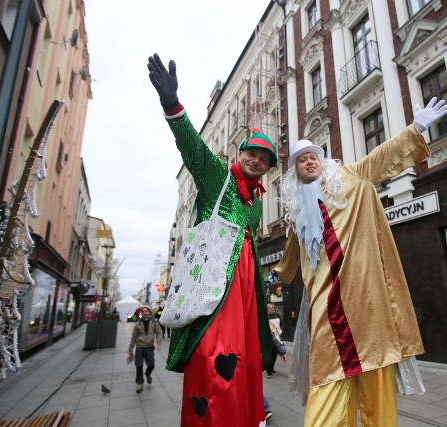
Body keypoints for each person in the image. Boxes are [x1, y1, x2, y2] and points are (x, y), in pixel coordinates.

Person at [271, 97, 447, 426]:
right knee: (326, 392)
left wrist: (417, 127)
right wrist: (271, 278)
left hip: (369, 302)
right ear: (294, 172)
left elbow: (384, 155)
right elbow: (288, 262)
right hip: (328, 311)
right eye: (301, 160)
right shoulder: (296, 215)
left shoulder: (351, 177)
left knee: (378, 391)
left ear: (322, 162)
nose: (309, 162)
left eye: (313, 157)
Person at [147, 53, 273, 426]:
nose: (256, 161)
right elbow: (193, 149)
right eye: (251, 153)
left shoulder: (257, 202)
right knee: (213, 355)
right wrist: (172, 105)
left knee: (244, 360)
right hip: (214, 286)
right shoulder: (220, 177)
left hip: (246, 288)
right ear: (240, 154)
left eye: (264, 159)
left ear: (269, 167)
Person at [127, 306, 162, 393]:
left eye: (146, 311)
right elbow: (133, 337)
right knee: (138, 365)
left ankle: (148, 374)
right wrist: (130, 349)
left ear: (149, 313)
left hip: (149, 347)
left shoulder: (154, 322)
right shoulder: (138, 324)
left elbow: (158, 332)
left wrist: (159, 343)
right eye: (143, 312)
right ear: (142, 313)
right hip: (140, 347)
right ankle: (140, 383)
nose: (145, 313)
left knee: (151, 365)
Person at [265, 303, 285, 377]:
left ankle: (272, 369)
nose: (272, 309)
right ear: (267, 309)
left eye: (273, 307)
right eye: (270, 308)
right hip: (269, 339)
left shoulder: (277, 315)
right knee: (269, 355)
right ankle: (269, 372)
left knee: (274, 354)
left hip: (277, 338)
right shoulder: (266, 317)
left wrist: (281, 331)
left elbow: (282, 324)